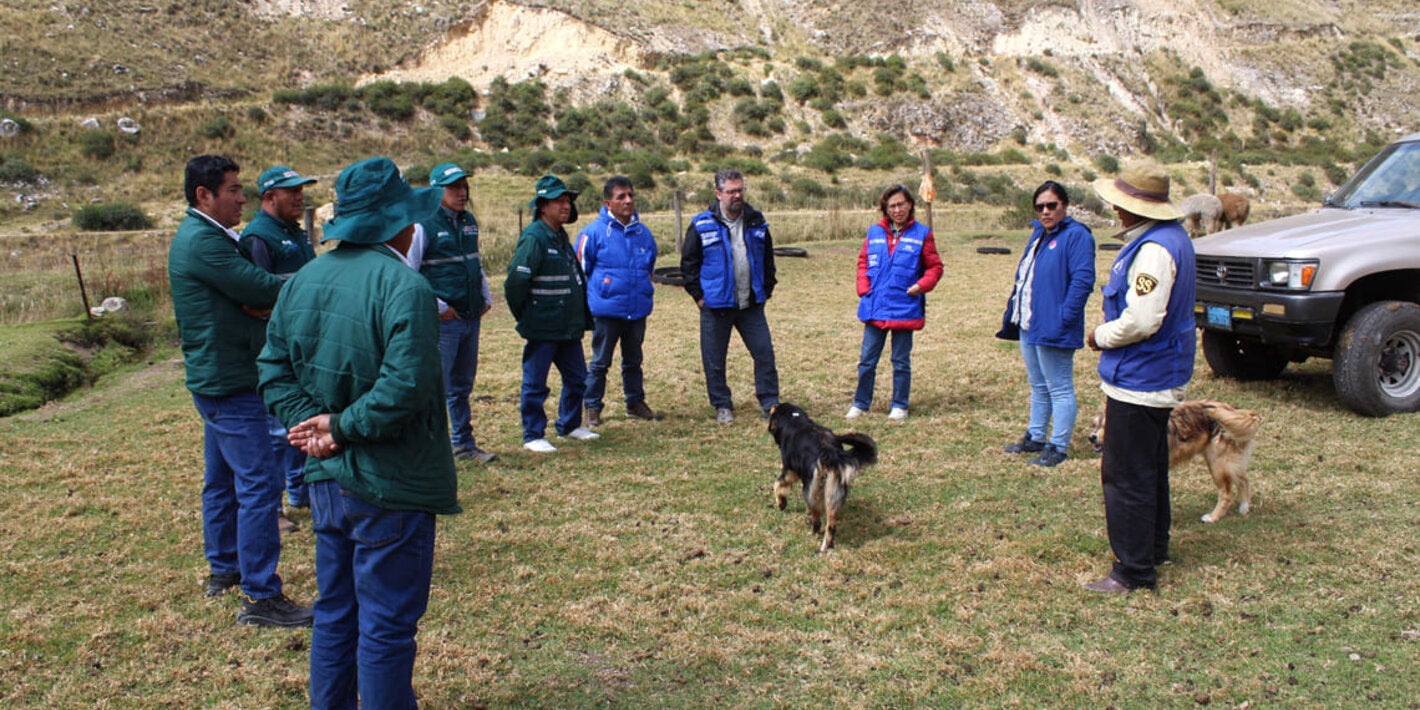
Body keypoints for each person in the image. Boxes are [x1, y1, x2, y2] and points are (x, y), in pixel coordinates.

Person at [257, 157, 461, 708]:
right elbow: (407, 386)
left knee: (336, 610)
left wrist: (314, 430)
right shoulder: (404, 285)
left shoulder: (303, 280)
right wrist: (338, 429)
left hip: (326, 477)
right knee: (387, 624)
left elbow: (273, 369)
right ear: (398, 222)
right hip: (390, 480)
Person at [167, 155, 312, 627]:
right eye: (231, 189)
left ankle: (225, 567)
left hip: (221, 377)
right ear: (203, 196)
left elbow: (256, 296)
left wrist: (260, 303)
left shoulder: (210, 238)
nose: (240, 198)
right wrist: (297, 295)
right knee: (258, 484)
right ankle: (261, 596)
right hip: (230, 381)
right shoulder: (204, 243)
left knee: (222, 479)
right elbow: (261, 288)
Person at [1083, 160, 1196, 593]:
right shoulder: (1170, 239)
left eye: (1121, 203)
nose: (1116, 211)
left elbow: (1142, 320)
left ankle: (1132, 571)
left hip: (1142, 375)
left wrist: (1100, 336)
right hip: (1154, 372)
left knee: (1125, 473)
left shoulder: (1154, 249)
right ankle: (1153, 547)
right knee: (1149, 467)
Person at [997, 180, 1096, 467]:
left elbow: (1082, 281)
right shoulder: (1040, 234)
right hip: (1030, 322)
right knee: (1038, 385)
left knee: (1060, 386)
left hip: (1055, 325)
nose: (1045, 211)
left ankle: (1059, 446)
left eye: (1051, 205)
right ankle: (1036, 437)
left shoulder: (1077, 236)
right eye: (1039, 207)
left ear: (1064, 205)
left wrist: (1065, 317)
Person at [240, 165, 318, 524]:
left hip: (306, 344)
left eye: (301, 189)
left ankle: (301, 494)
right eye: (291, 191)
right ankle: (273, 506)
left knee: (304, 421)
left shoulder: (296, 233)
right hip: (279, 348)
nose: (300, 196)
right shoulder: (259, 237)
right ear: (269, 197)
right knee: (276, 431)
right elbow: (254, 301)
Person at [504, 174, 600, 453]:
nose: (566, 205)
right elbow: (515, 283)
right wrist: (528, 315)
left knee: (577, 377)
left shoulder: (559, 236)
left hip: (567, 326)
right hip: (544, 326)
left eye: (567, 200)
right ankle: (533, 434)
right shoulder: (534, 237)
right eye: (559, 201)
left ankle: (569, 425)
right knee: (535, 382)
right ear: (543, 206)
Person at [680, 168, 780, 424]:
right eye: (731, 191)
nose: (737, 195)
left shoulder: (756, 220)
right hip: (716, 306)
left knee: (764, 353)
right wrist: (699, 297)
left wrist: (766, 289)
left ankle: (770, 403)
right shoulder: (701, 224)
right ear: (718, 193)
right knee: (714, 359)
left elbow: (768, 259)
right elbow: (688, 264)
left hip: (751, 304)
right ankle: (722, 404)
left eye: (740, 189)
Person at [417, 162, 497, 464]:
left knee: (462, 384)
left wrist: (485, 294)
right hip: (444, 320)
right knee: (436, 385)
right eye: (454, 188)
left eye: (464, 187)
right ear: (437, 190)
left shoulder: (469, 221)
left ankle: (463, 444)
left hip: (469, 315)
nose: (461, 193)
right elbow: (411, 273)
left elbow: (474, 262)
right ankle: (430, 449)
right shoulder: (423, 225)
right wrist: (438, 307)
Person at [846, 184, 944, 422]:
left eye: (901, 204)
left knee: (900, 361)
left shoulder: (922, 234)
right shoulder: (874, 233)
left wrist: (921, 286)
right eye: (892, 206)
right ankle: (861, 403)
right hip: (875, 306)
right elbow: (862, 263)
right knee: (867, 360)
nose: (897, 209)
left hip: (905, 307)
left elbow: (935, 267)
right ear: (885, 209)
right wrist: (863, 288)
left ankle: (899, 405)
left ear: (910, 205)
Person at [576, 175, 661, 426]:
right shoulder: (592, 233)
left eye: (631, 195)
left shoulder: (643, 234)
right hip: (606, 311)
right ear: (608, 202)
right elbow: (581, 270)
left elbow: (650, 267)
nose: (628, 200)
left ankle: (634, 402)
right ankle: (592, 406)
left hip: (636, 310)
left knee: (633, 360)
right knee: (600, 362)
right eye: (621, 196)